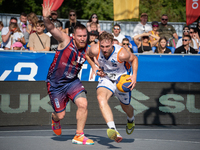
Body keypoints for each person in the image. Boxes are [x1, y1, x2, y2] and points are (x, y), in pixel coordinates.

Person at [42, 1, 94, 145]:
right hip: (56, 84)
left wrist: (95, 66)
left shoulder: (87, 48)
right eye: (80, 36)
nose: (83, 38)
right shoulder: (65, 40)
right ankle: (54, 117)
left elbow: (98, 52)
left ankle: (79, 135)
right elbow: (52, 28)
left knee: (83, 104)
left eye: (85, 36)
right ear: (74, 36)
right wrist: (46, 18)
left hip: (72, 82)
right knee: (61, 115)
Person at [87, 31, 138, 143]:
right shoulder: (95, 49)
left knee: (125, 107)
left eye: (108, 46)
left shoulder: (121, 53)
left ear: (112, 44)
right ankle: (113, 129)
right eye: (103, 46)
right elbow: (86, 54)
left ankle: (131, 119)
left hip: (121, 80)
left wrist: (134, 76)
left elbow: (134, 59)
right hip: (106, 78)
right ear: (99, 44)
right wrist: (94, 67)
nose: (105, 49)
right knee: (101, 98)